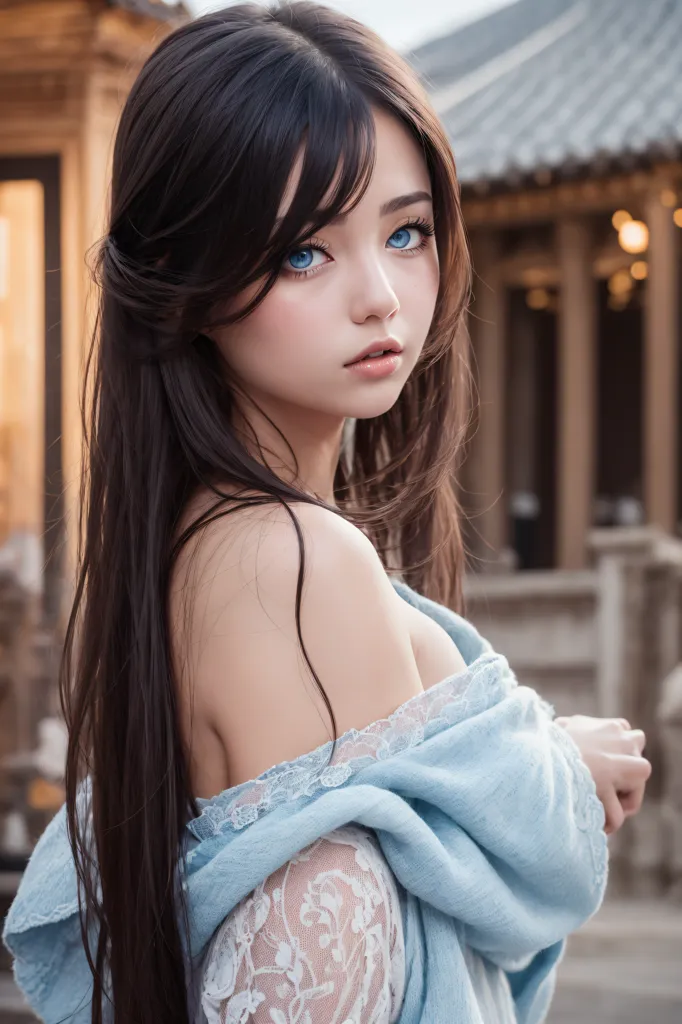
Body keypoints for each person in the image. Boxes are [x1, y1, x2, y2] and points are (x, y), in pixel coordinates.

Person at [3, 4, 651, 1023]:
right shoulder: (299, 562)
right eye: (305, 252)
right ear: (183, 278)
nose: (383, 297)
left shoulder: (197, 543)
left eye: (406, 232)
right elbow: (509, 855)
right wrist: (557, 765)